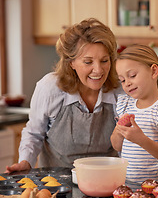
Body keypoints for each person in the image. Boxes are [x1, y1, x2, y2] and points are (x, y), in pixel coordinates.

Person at [5, 18, 122, 173]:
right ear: (71, 62)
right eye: (88, 62)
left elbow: (126, 144)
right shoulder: (51, 88)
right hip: (56, 182)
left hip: (105, 180)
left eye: (104, 60)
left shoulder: (120, 90)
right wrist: (26, 162)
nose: (98, 70)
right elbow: (34, 133)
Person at [111, 44, 158, 191]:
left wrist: (141, 139)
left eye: (132, 76)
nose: (127, 83)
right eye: (122, 80)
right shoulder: (125, 105)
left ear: (153, 71)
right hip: (129, 190)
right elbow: (117, 146)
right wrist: (119, 131)